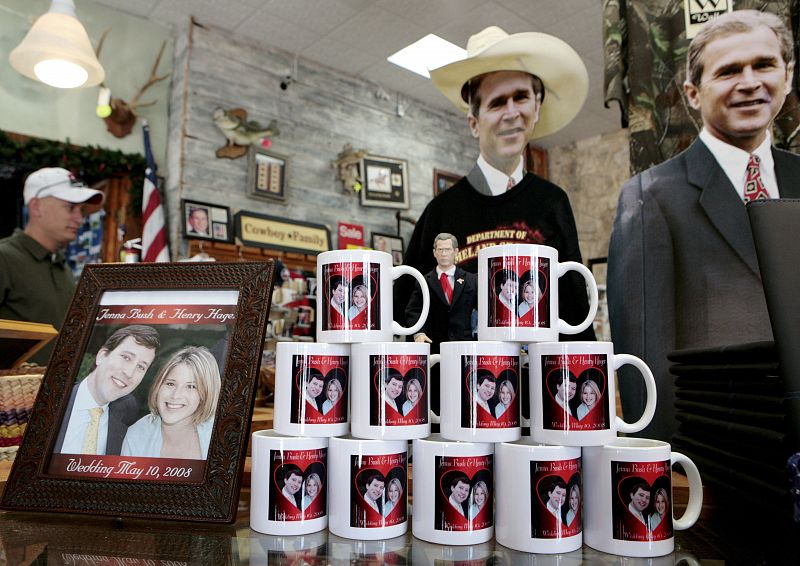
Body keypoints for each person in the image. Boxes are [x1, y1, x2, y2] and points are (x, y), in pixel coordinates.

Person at [607, 9, 800, 442]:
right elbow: (645, 374)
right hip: (720, 462)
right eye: (729, 71)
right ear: (694, 94)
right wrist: (674, 476)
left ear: (787, 77)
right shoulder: (650, 196)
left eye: (764, 65)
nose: (750, 82)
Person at [399, 26, 595, 343]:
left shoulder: (552, 203)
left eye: (521, 97)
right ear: (474, 123)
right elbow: (406, 315)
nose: (512, 113)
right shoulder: (440, 212)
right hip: (457, 385)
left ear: (536, 108)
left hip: (534, 385)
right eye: (496, 102)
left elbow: (575, 311)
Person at [0, 167, 104, 364]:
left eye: (81, 210)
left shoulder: (60, 266)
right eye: (70, 207)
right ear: (36, 207)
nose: (79, 219)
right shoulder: (4, 258)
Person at [55, 325, 159, 456]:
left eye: (141, 367)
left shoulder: (128, 411)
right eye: (126, 357)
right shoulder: (55, 402)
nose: (129, 373)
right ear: (102, 356)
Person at [405, 233, 477, 415]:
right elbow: (414, 309)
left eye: (448, 249)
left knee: (463, 388)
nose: (444, 254)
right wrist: (418, 333)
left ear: (455, 252)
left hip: (463, 344)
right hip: (435, 344)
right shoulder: (424, 280)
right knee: (436, 390)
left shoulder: (470, 280)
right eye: (440, 250)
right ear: (434, 253)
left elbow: (483, 309)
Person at [121, 345, 221, 460]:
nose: (176, 395)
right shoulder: (137, 434)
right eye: (170, 384)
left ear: (206, 394)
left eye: (191, 386)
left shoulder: (221, 436)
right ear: (158, 385)